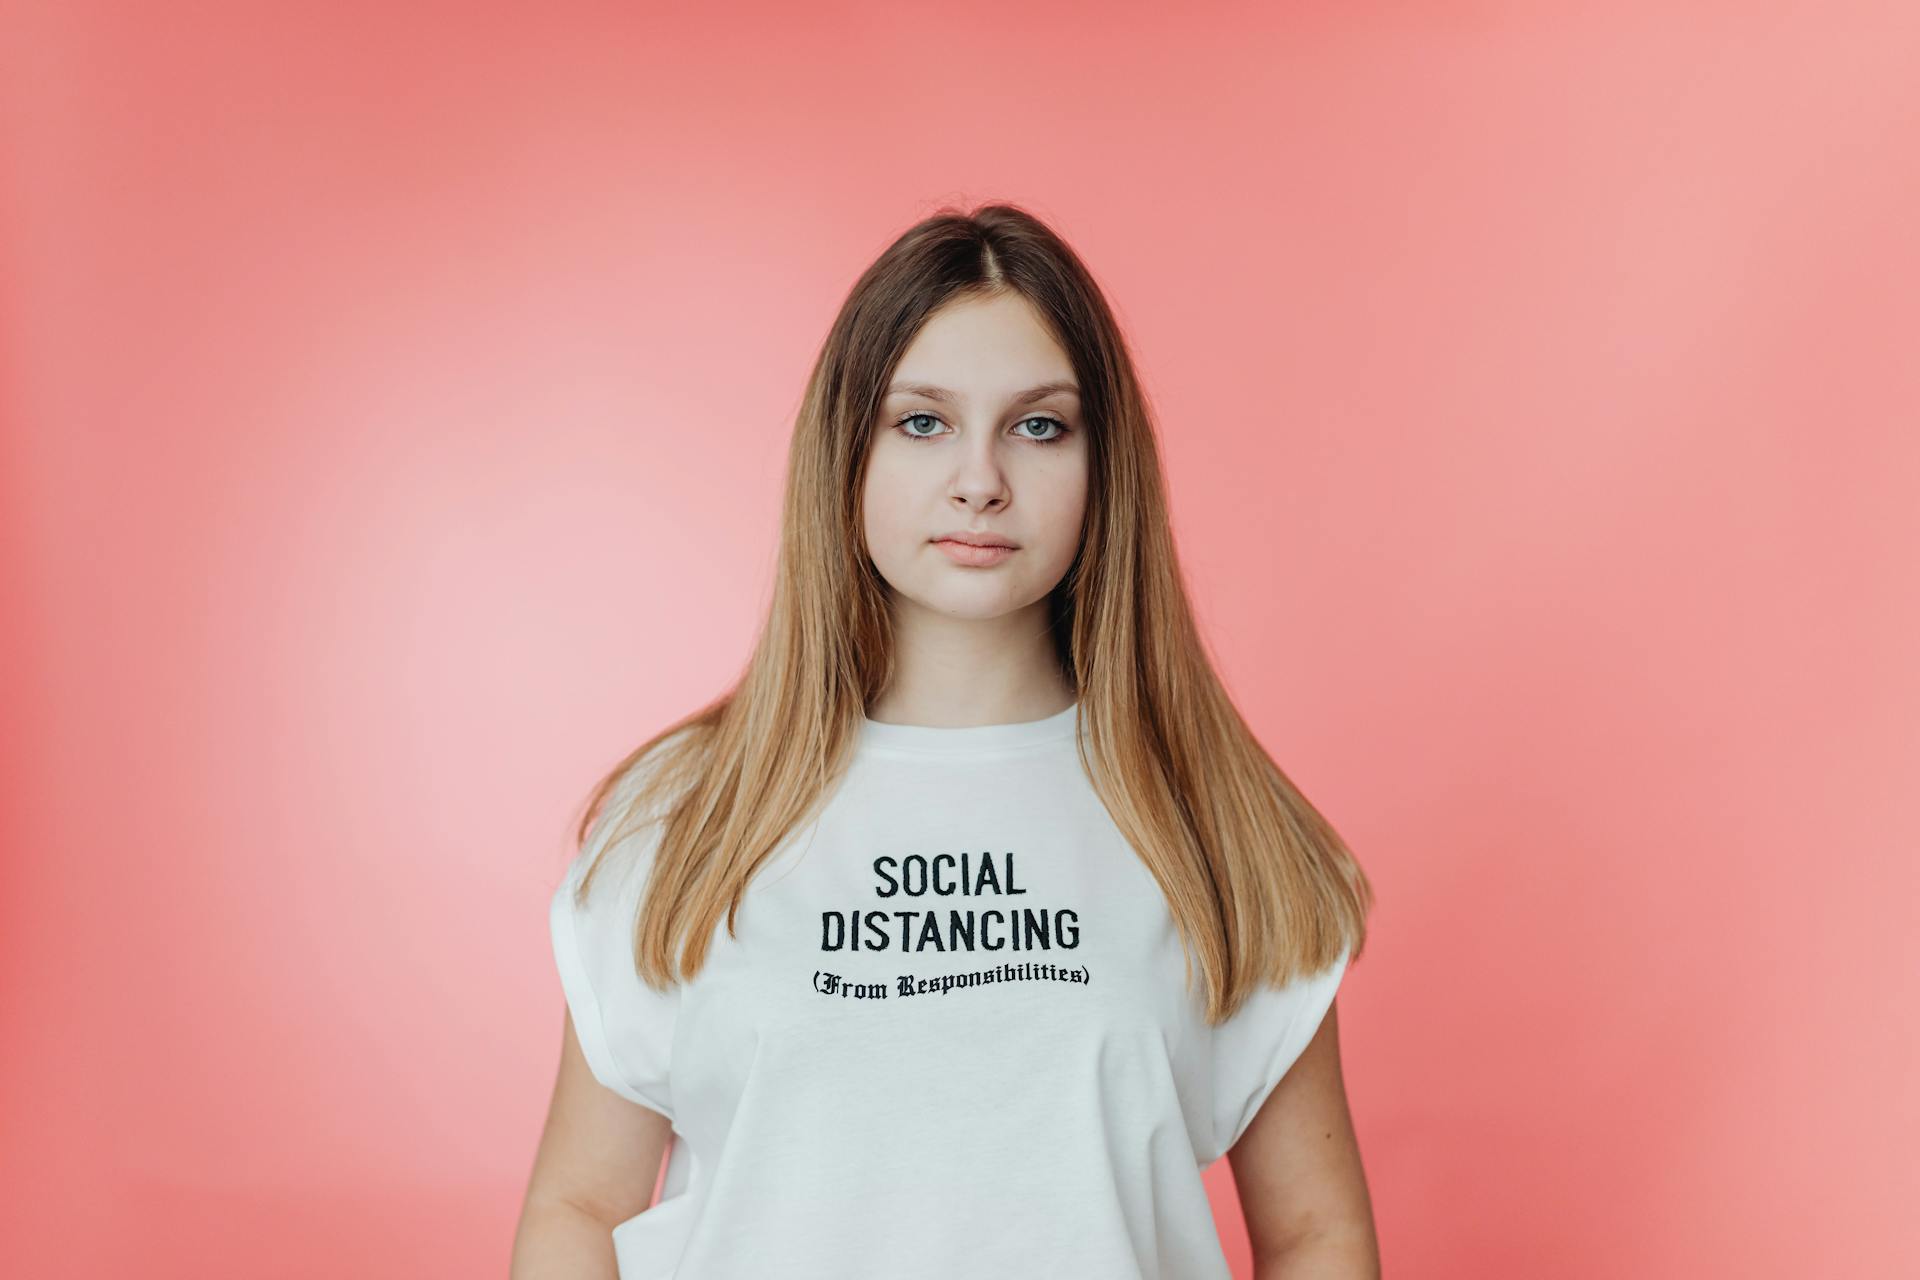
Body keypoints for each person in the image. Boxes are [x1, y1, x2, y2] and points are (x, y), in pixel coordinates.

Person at [511, 203, 1379, 1279]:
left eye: (1039, 424)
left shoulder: (1213, 815)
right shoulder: (686, 810)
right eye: (922, 421)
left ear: (1108, 466)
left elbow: (1314, 1234)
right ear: (848, 451)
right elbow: (578, 1206)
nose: (981, 479)